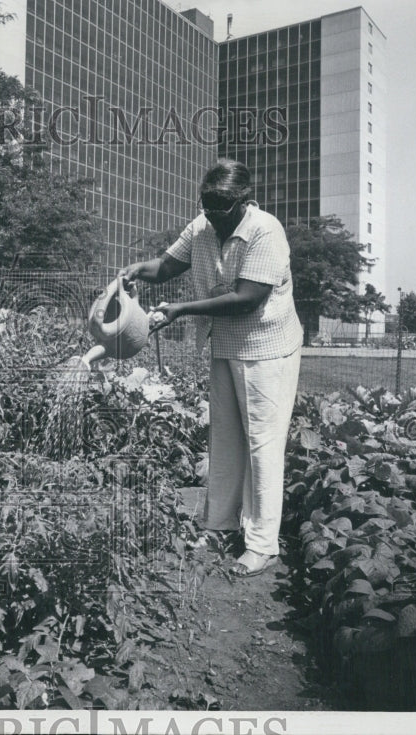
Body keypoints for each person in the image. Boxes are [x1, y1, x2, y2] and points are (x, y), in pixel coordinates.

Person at [119, 158, 303, 577]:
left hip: (267, 349)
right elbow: (167, 265)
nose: (213, 214)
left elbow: (247, 298)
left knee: (263, 442)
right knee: (225, 437)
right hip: (225, 345)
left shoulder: (265, 231)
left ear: (244, 201)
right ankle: (219, 524)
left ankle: (261, 543)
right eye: (207, 205)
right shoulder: (202, 226)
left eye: (222, 207)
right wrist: (137, 271)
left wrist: (181, 309)